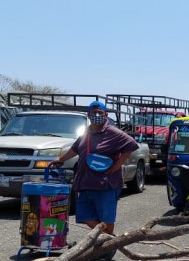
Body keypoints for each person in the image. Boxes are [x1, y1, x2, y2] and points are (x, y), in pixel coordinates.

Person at [52, 100, 138, 234]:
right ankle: (108, 240)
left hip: (106, 184)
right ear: (88, 114)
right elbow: (75, 149)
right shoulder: (86, 132)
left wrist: (117, 166)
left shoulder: (113, 132)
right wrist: (60, 159)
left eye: (100, 112)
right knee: (84, 216)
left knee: (106, 219)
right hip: (85, 183)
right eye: (94, 112)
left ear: (106, 115)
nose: (97, 115)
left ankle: (108, 245)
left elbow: (131, 145)